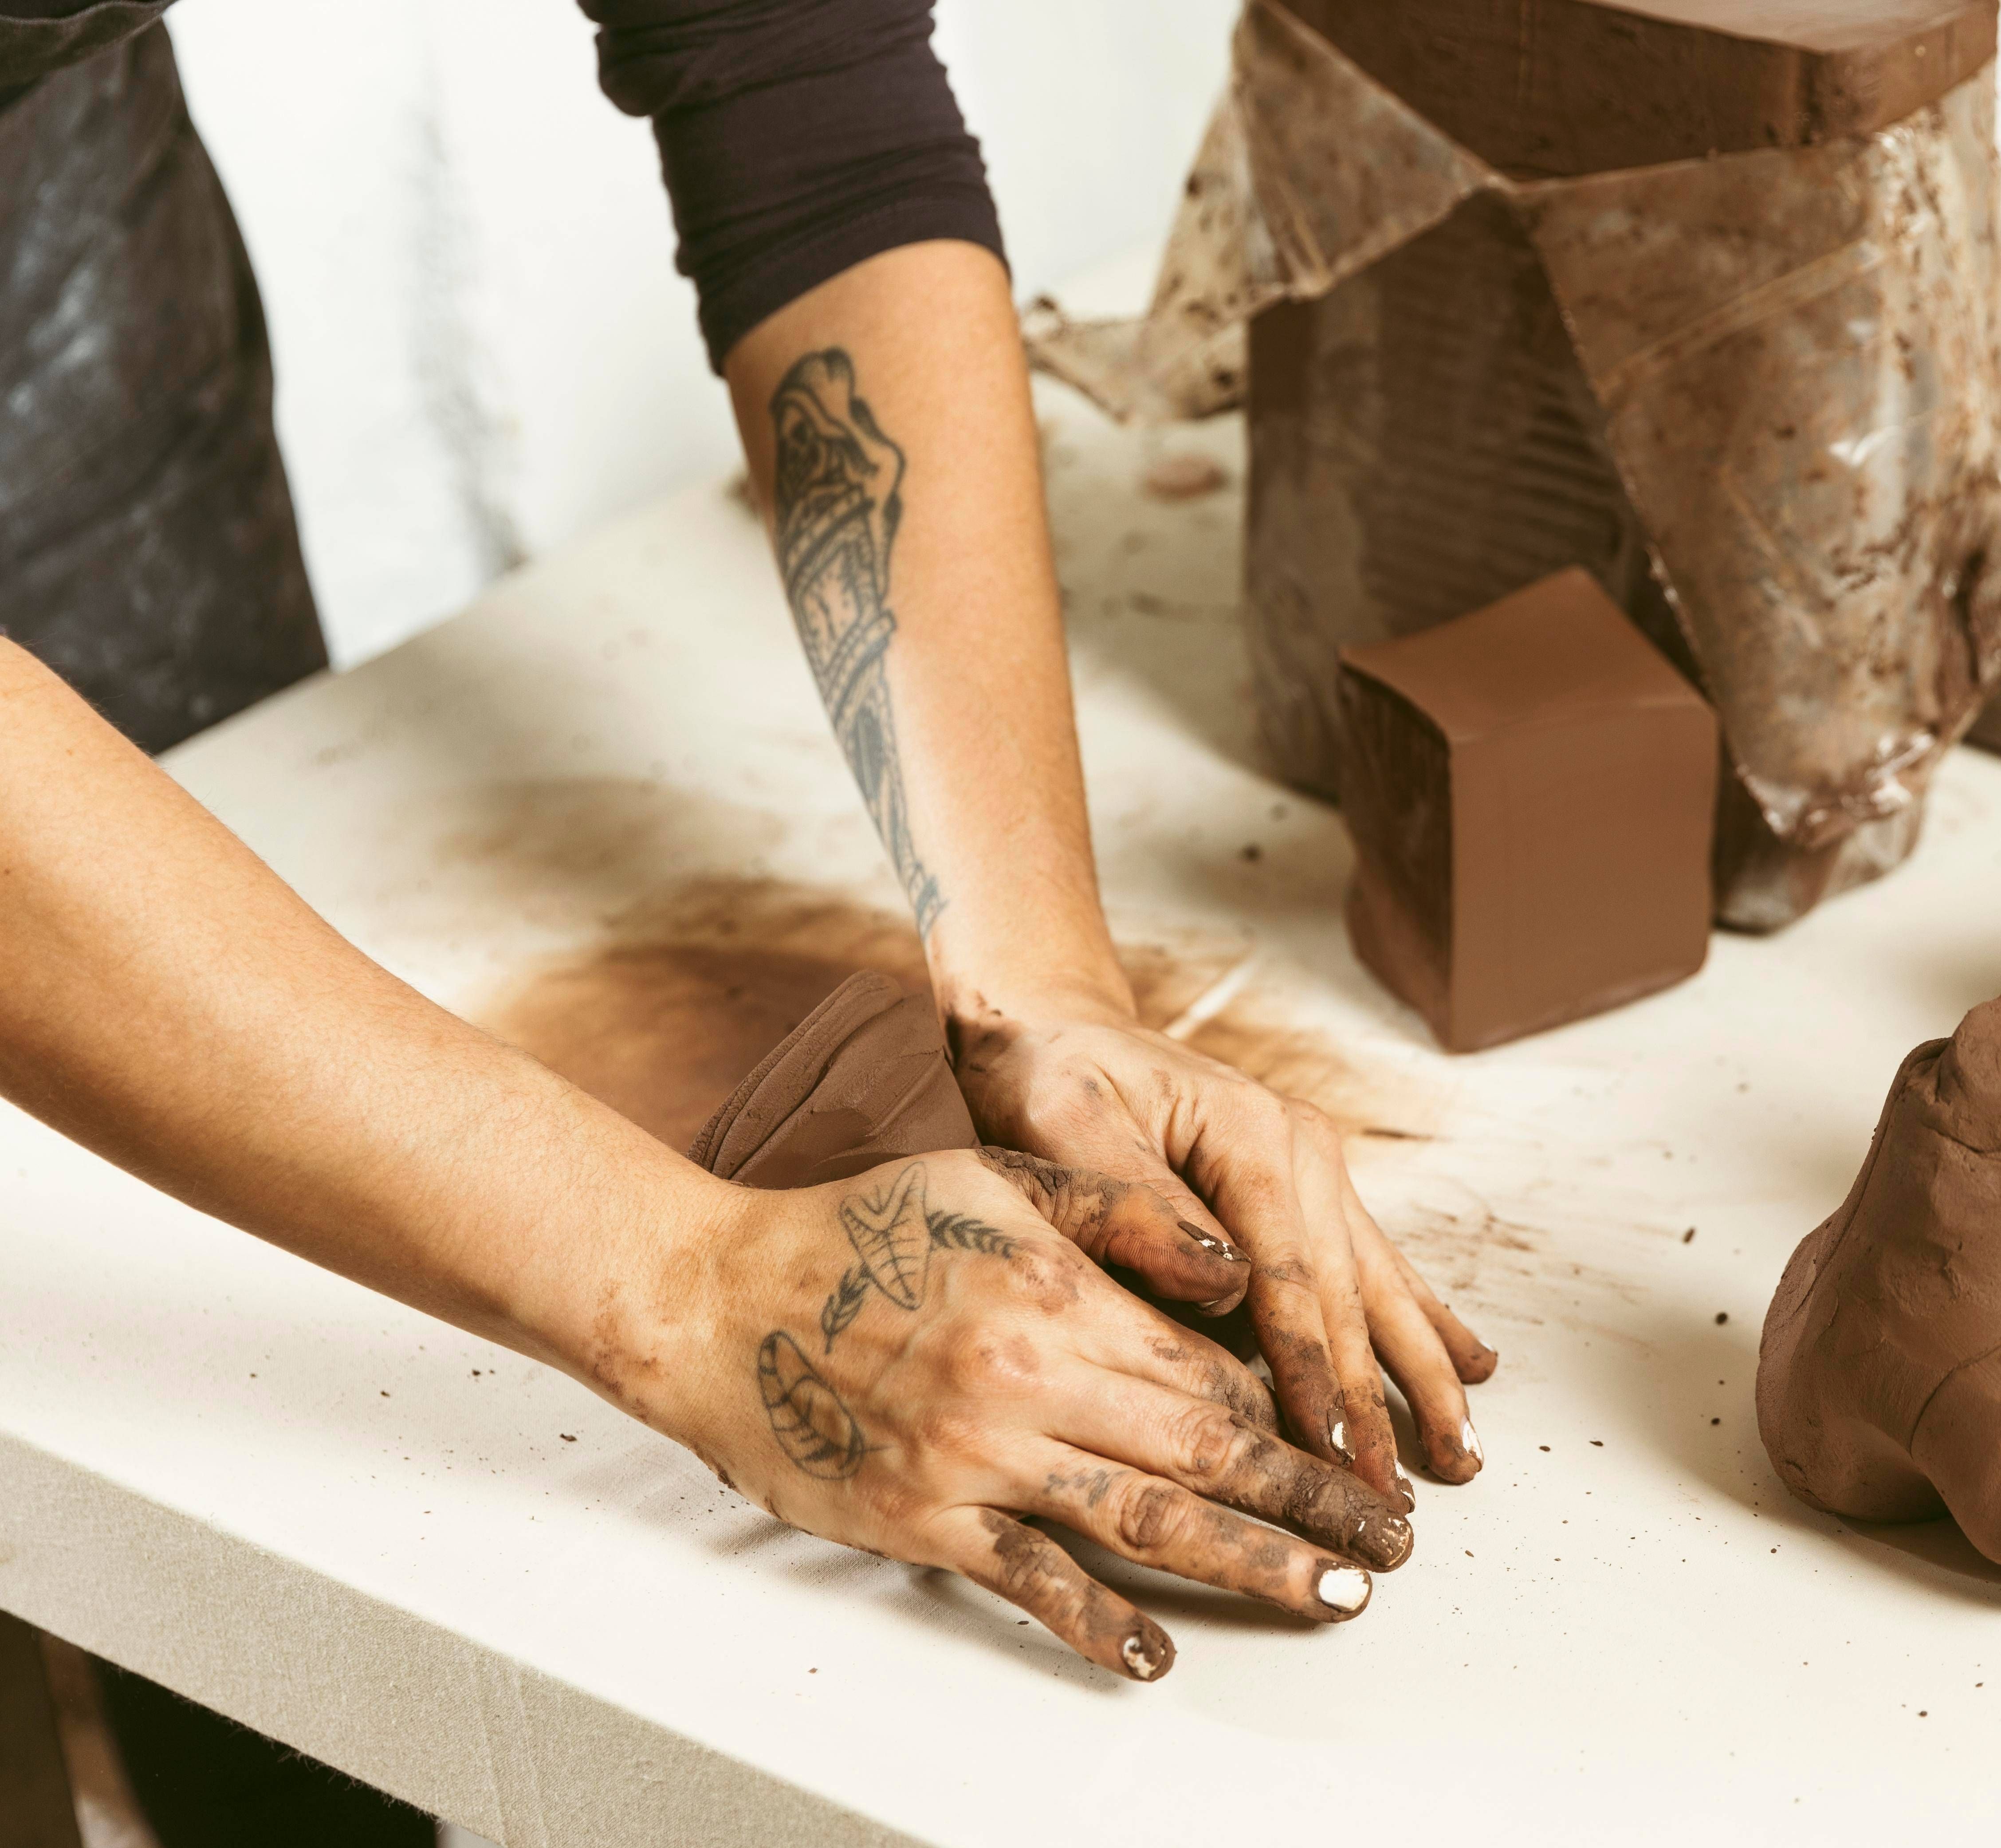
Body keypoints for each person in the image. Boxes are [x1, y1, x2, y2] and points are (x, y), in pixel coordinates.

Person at [0, 0, 1491, 1699]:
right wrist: (693, 1290)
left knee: (231, 1358)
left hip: (53, 173)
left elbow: (803, 85)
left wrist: (1041, 987)